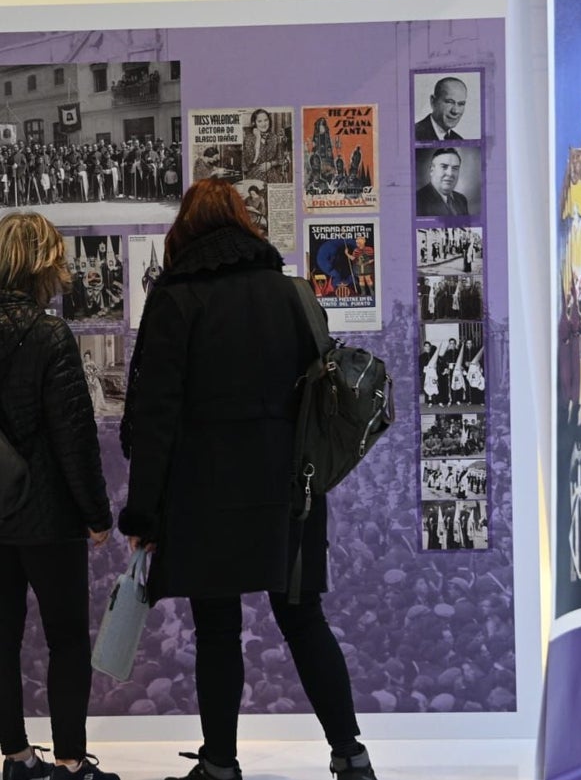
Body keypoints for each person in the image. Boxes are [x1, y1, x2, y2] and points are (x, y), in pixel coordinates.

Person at [117, 178, 378, 780]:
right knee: (303, 617)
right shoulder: (292, 293)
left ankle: (219, 765)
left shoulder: (177, 298)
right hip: (290, 486)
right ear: (244, 223)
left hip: (206, 492)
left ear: (185, 228)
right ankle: (351, 755)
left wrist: (144, 514)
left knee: (216, 629)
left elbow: (156, 415)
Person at [0, 212, 117, 780]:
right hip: (48, 516)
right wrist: (97, 514)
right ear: (44, 264)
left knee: (1, 640)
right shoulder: (49, 335)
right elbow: (74, 437)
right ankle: (70, 762)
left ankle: (16, 758)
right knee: (67, 640)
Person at [416, 148, 469, 216]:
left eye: (455, 168)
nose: (450, 173)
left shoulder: (462, 200)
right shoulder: (417, 200)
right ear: (431, 170)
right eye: (444, 167)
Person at [415, 76, 468, 141]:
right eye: (449, 102)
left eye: (461, 104)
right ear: (433, 101)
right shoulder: (413, 134)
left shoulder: (459, 139)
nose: (455, 111)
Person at [242, 109, 285, 183]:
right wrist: (258, 138)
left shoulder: (275, 137)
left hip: (272, 178)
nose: (264, 124)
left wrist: (270, 164)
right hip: (255, 178)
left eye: (266, 120)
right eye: (259, 121)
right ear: (254, 123)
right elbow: (251, 161)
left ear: (269, 121)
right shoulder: (248, 138)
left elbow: (280, 159)